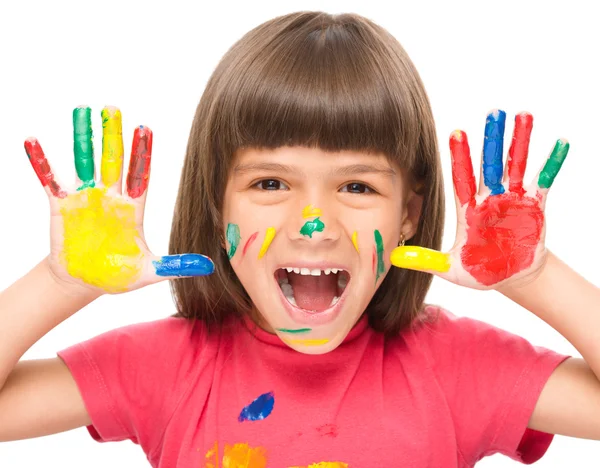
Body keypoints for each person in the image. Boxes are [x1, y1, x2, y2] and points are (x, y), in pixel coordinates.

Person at [0, 10, 599, 468]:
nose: (314, 223)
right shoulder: (167, 365)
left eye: (358, 188)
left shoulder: (456, 367)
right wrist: (60, 283)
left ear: (409, 216)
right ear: (217, 204)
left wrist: (535, 277)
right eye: (270, 182)